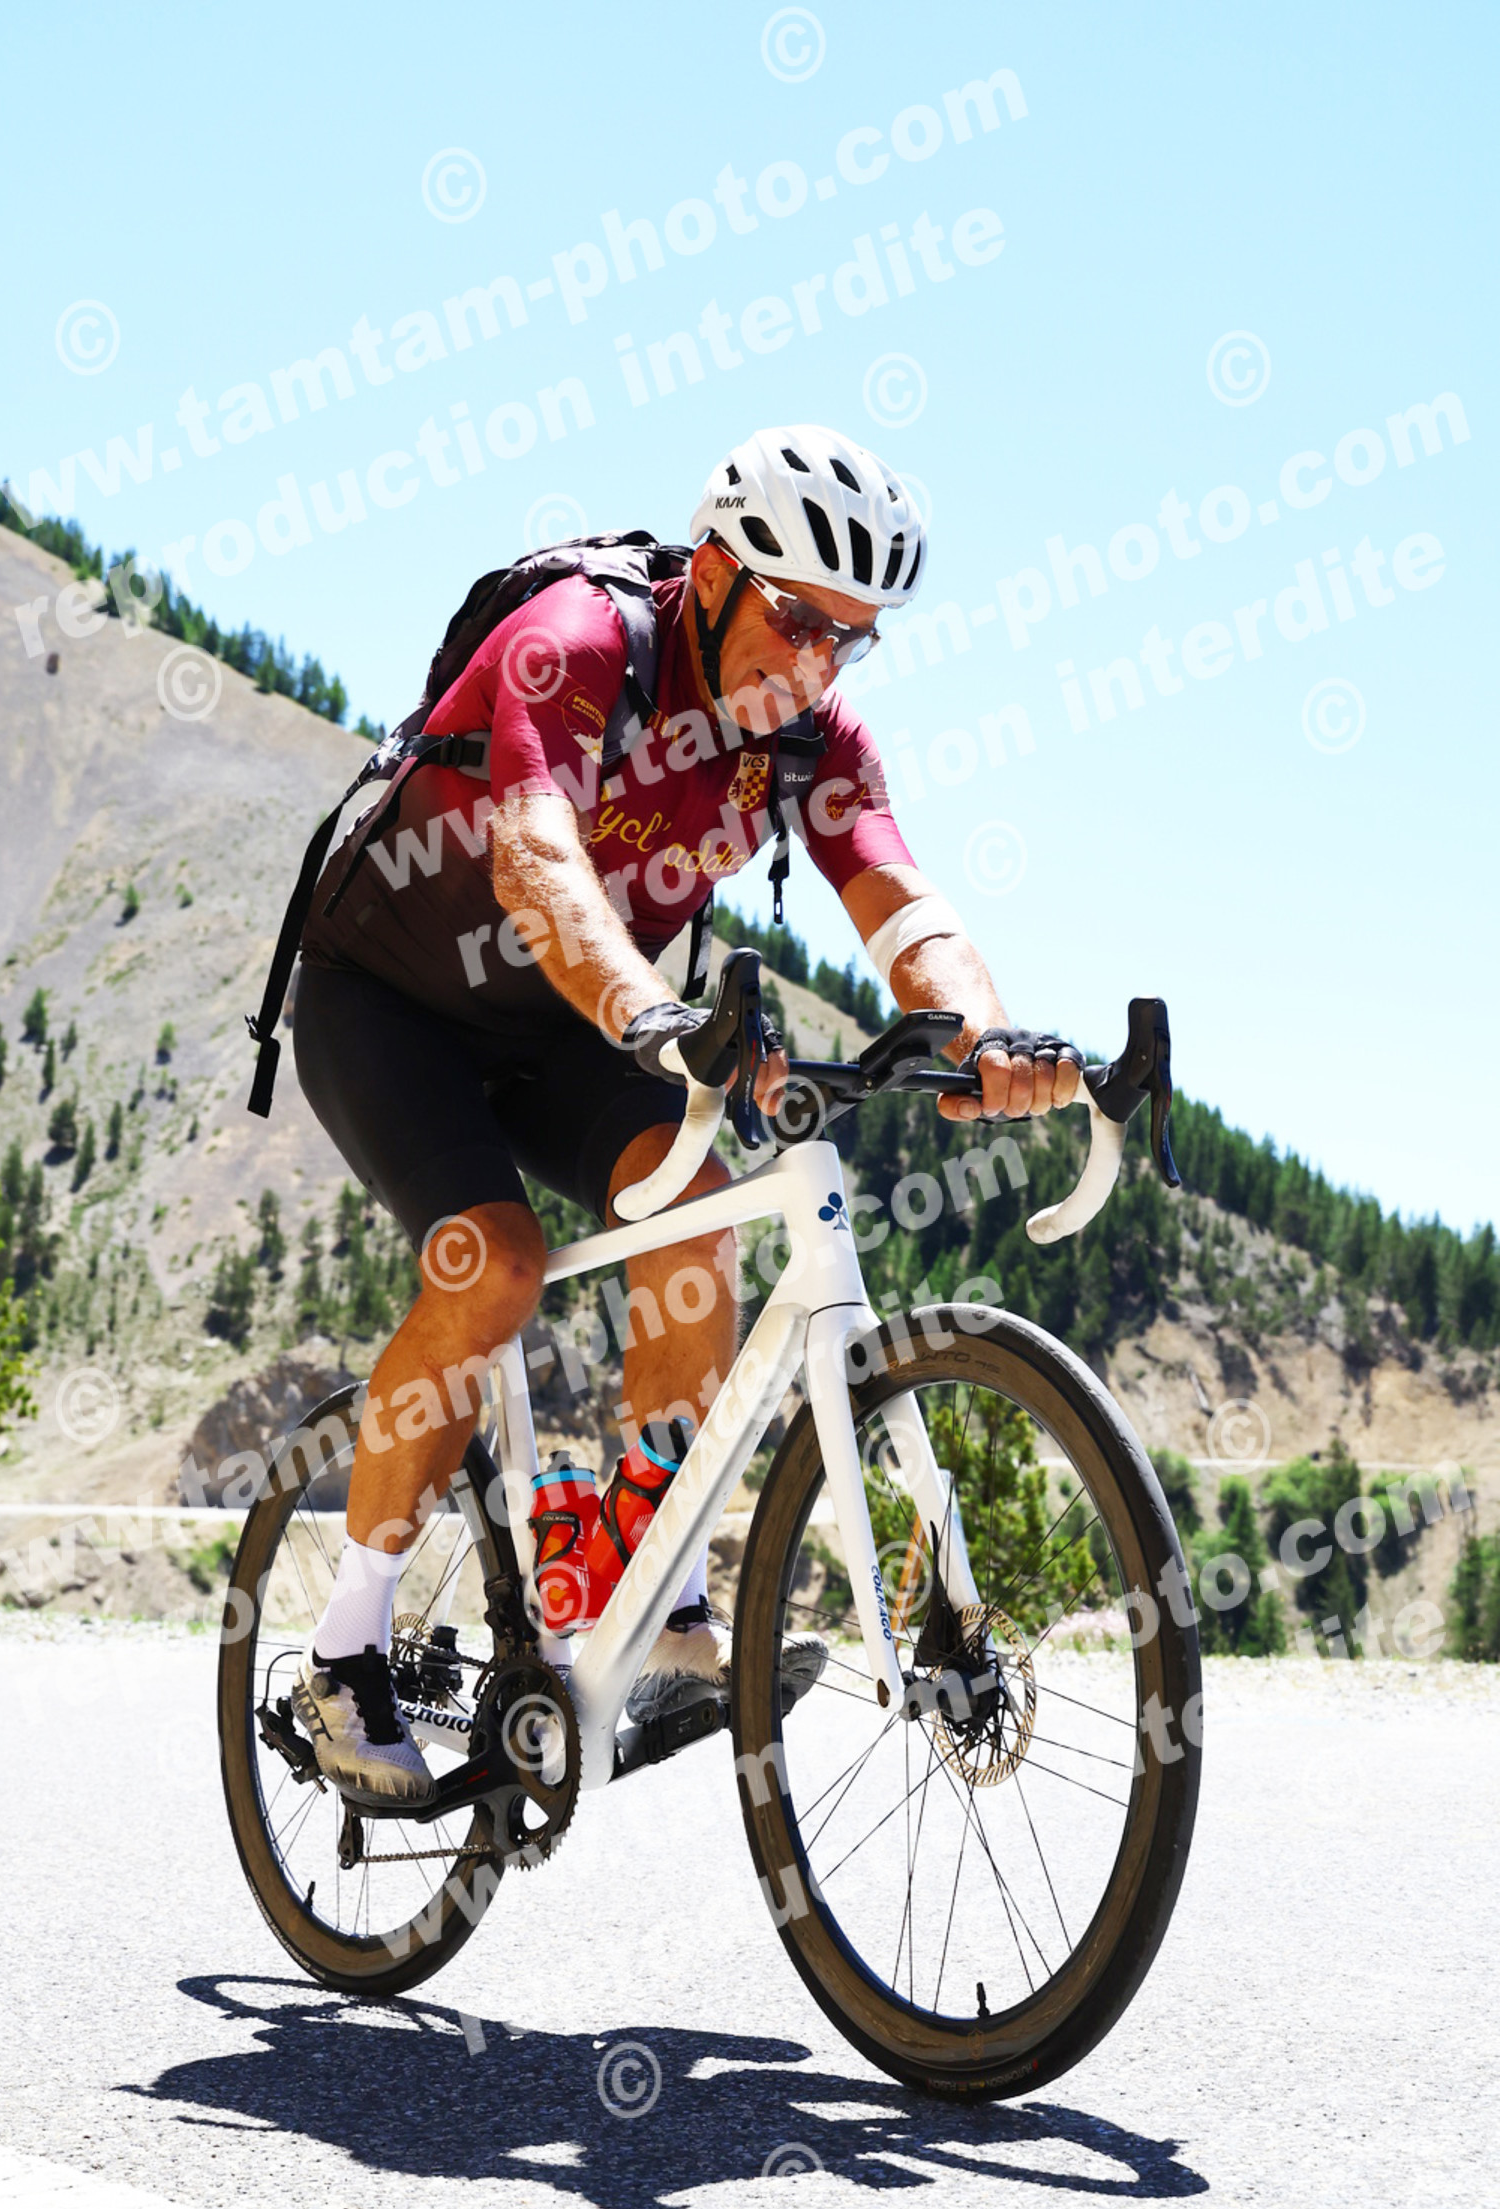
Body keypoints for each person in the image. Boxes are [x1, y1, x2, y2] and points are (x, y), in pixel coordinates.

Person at [288, 424, 1081, 1805]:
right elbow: (537, 859)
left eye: (854, 639)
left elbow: (901, 902)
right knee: (496, 1265)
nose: (820, 666)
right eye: (798, 622)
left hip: (571, 1022)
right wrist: (653, 1012)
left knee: (700, 1214)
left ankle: (656, 1597)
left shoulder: (810, 735)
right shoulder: (578, 644)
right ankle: (345, 1651)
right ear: (712, 575)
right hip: (391, 999)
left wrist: (985, 1033)